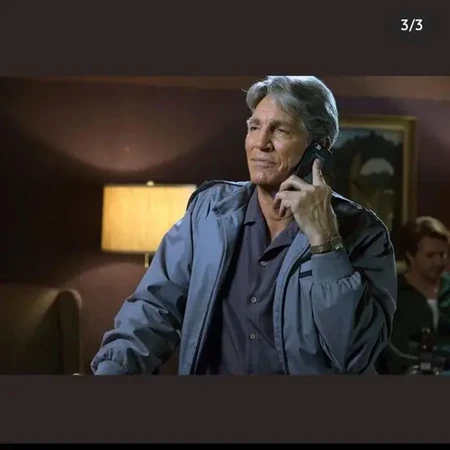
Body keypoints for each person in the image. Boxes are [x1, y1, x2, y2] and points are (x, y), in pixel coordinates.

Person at [91, 75, 397, 376]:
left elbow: (355, 354)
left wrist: (325, 241)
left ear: (320, 146)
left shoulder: (364, 233)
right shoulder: (208, 212)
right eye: (254, 127)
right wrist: (112, 370)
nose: (260, 144)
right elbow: (153, 309)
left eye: (280, 130)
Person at [377, 216, 450, 374]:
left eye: (442, 254)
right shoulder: (392, 293)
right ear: (410, 256)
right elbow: (397, 351)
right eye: (430, 255)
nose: (439, 262)